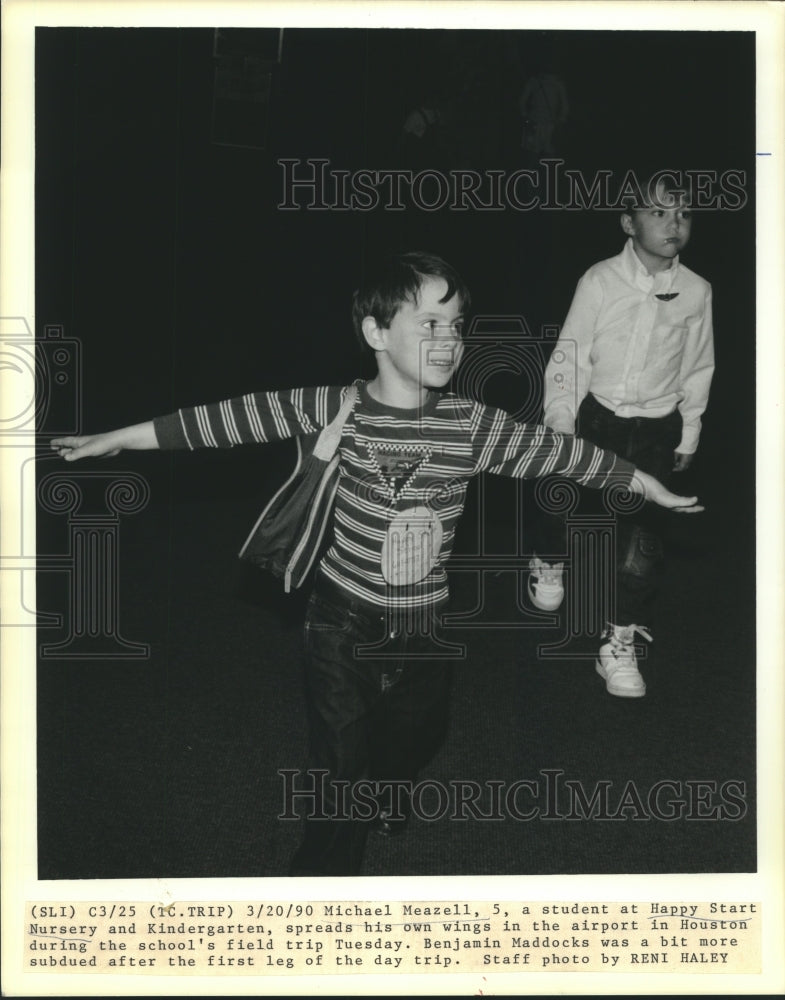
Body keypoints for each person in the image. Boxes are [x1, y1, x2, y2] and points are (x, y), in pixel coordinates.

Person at [52, 251, 702, 875]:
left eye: (455, 326)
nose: (448, 339)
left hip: (424, 623)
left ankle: (392, 784)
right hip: (340, 618)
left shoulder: (470, 425)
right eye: (428, 323)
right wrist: (119, 438)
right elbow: (225, 420)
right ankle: (321, 883)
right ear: (375, 331)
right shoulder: (337, 407)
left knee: (416, 733)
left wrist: (645, 484)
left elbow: (564, 456)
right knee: (339, 762)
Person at [539, 179, 714, 699]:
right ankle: (548, 559)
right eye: (659, 212)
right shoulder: (600, 280)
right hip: (597, 417)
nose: (674, 223)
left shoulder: (698, 291)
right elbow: (570, 350)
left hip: (656, 427)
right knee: (565, 504)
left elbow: (698, 364)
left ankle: (618, 640)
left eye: (683, 213)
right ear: (628, 223)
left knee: (641, 545)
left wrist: (691, 429)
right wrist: (561, 417)